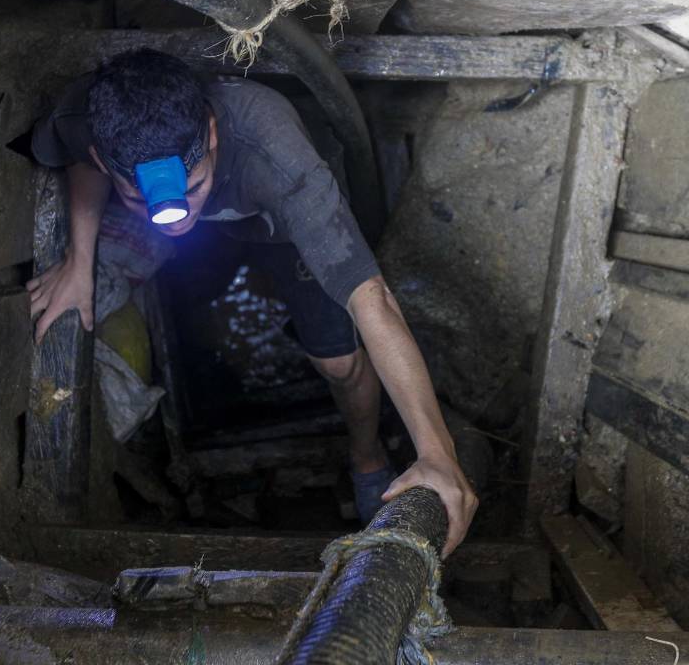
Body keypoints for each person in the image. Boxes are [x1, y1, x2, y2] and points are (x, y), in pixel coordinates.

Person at [28, 48, 478, 554]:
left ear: (213, 135)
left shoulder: (277, 154)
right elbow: (76, 155)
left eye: (192, 187)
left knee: (340, 362)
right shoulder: (85, 119)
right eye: (138, 199)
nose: (174, 218)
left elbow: (372, 299)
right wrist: (78, 262)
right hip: (218, 232)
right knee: (192, 277)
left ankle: (368, 455)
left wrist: (438, 452)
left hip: (283, 227)